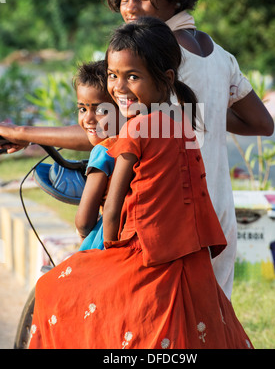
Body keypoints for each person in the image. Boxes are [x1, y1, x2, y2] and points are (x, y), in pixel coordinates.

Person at [0, 0, 274, 298]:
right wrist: (199, 114)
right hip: (216, 213)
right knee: (206, 322)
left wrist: (21, 132)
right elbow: (259, 123)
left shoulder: (153, 56)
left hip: (165, 216)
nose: (129, 8)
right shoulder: (218, 55)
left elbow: (109, 134)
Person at [29, 18, 253, 349]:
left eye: (132, 76)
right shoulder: (179, 125)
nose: (118, 87)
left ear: (165, 80)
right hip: (187, 254)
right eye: (113, 76)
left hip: (142, 255)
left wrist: (100, 247)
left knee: (52, 290)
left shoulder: (134, 130)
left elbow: (111, 214)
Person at [72, 61, 120, 250]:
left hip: (101, 247)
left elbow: (84, 221)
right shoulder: (138, 142)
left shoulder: (103, 151)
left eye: (100, 110)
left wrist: (83, 233)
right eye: (82, 109)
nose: (88, 119)